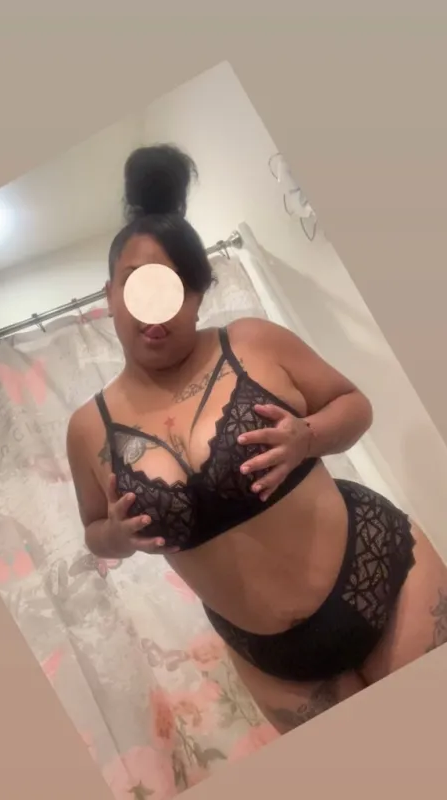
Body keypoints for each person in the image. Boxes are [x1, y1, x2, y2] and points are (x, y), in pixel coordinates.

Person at [67, 144, 447, 734]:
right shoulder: (87, 428)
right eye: (135, 285)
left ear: (197, 294)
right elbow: (95, 532)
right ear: (110, 295)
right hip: (274, 660)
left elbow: (356, 406)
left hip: (384, 574)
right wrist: (115, 535)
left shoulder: (251, 342)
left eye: (173, 287)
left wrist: (307, 436)